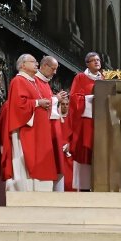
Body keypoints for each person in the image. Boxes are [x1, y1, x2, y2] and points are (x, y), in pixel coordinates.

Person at [3, 54, 60, 191]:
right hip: (26, 129)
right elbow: (18, 106)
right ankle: (26, 189)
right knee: (26, 160)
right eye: (33, 62)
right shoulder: (18, 81)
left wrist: (45, 103)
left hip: (38, 129)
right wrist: (37, 102)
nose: (36, 64)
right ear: (22, 65)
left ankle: (39, 189)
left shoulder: (32, 81)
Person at [67, 52, 102, 191]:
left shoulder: (104, 78)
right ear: (87, 64)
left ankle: (100, 183)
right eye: (93, 60)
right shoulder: (80, 77)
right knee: (85, 151)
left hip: (100, 121)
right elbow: (74, 98)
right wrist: (89, 98)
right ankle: (85, 186)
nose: (97, 62)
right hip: (86, 121)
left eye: (98, 60)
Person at [36, 56, 70, 192]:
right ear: (44, 65)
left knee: (56, 167)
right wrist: (55, 99)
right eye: (53, 69)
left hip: (50, 130)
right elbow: (39, 103)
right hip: (42, 132)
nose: (55, 72)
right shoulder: (35, 82)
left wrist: (55, 99)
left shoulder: (44, 83)